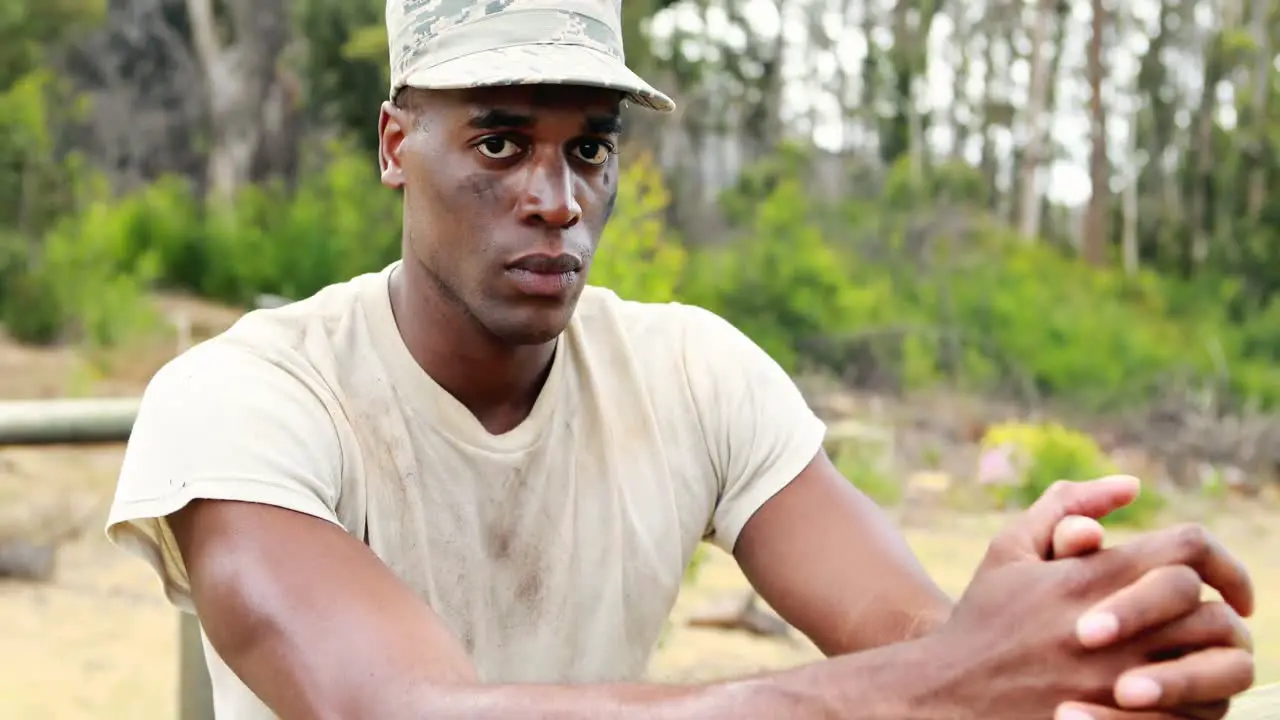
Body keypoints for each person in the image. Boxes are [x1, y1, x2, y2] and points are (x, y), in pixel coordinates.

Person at [104, 1, 1256, 718]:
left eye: (589, 148)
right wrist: (950, 681)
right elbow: (396, 708)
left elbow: (922, 653)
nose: (556, 200)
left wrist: (1070, 655)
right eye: (499, 142)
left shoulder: (692, 372)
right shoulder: (245, 398)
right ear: (397, 144)